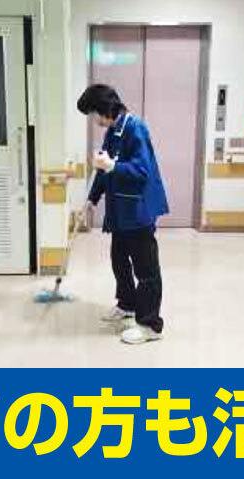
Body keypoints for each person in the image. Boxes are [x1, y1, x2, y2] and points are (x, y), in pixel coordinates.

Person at [77, 84, 169, 345]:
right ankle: (127, 304)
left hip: (138, 211)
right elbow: (104, 168)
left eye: (93, 114)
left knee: (146, 269)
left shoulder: (135, 128)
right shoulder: (112, 131)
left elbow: (142, 171)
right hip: (120, 212)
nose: (94, 120)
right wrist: (92, 199)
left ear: (104, 109)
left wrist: (112, 165)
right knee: (119, 260)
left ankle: (150, 325)